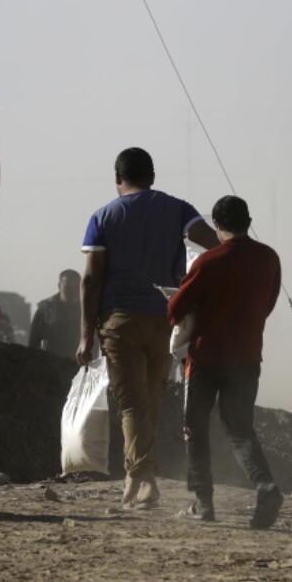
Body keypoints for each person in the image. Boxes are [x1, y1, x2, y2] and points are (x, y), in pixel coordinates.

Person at [76, 147, 218, 509]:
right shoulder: (179, 209)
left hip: (119, 320)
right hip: (165, 318)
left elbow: (91, 280)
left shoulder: (103, 217)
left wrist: (85, 335)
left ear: (116, 179)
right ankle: (134, 478)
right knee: (149, 401)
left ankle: (145, 480)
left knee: (131, 405)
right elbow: (214, 245)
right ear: (152, 177)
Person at [167, 195, 284, 529]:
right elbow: (269, 303)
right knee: (240, 429)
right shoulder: (268, 258)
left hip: (205, 359)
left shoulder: (208, 262)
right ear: (248, 221)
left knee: (195, 428)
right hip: (247, 357)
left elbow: (175, 310)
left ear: (217, 225)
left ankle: (204, 503)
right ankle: (266, 486)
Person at [29, 270, 81, 359]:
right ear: (59, 286)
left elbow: (95, 339)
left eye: (76, 287)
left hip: (79, 363)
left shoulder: (88, 308)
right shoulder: (45, 309)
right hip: (51, 363)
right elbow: (34, 341)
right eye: (68, 287)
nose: (72, 291)